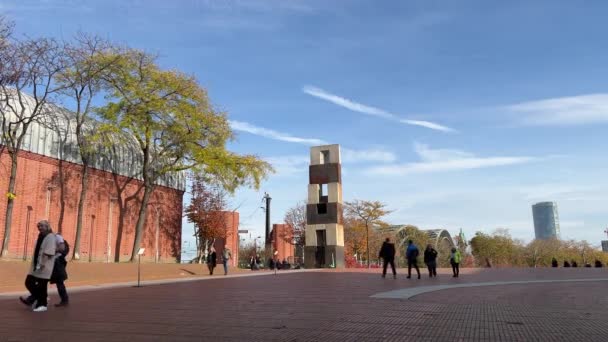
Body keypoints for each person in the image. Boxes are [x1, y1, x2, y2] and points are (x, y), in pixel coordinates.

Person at [19, 220, 56, 312]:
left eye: (42, 226)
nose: (40, 228)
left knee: (41, 286)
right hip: (36, 266)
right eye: (38, 226)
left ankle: (42, 304)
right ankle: (40, 298)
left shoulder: (50, 237)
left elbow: (49, 252)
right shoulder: (41, 236)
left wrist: (43, 264)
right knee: (29, 282)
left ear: (47, 226)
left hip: (44, 266)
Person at [50, 233, 69, 307]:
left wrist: (52, 250)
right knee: (41, 281)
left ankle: (64, 300)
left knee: (59, 283)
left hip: (57, 264)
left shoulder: (57, 237)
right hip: (53, 263)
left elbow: (62, 249)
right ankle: (32, 299)